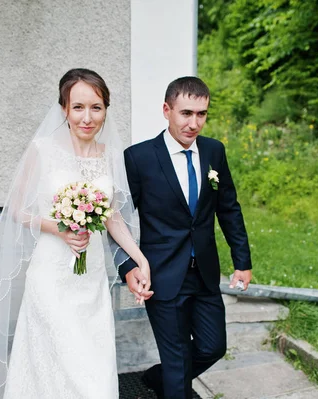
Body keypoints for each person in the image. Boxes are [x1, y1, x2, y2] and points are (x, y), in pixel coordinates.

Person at [0, 68, 152, 398]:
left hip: (90, 275)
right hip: (52, 275)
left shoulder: (111, 157)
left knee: (92, 363)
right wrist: (59, 227)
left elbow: (112, 218)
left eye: (96, 107)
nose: (87, 117)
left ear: (106, 110)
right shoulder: (42, 150)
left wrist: (140, 259)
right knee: (58, 361)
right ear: (64, 109)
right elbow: (18, 211)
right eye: (78, 107)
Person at [120, 76, 253, 399]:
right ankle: (171, 379)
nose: (194, 123)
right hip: (162, 274)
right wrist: (128, 266)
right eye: (186, 113)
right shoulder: (138, 157)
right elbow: (118, 219)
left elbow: (229, 209)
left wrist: (242, 261)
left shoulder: (213, 151)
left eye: (202, 114)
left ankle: (158, 376)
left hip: (204, 272)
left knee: (213, 347)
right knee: (178, 362)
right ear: (167, 110)